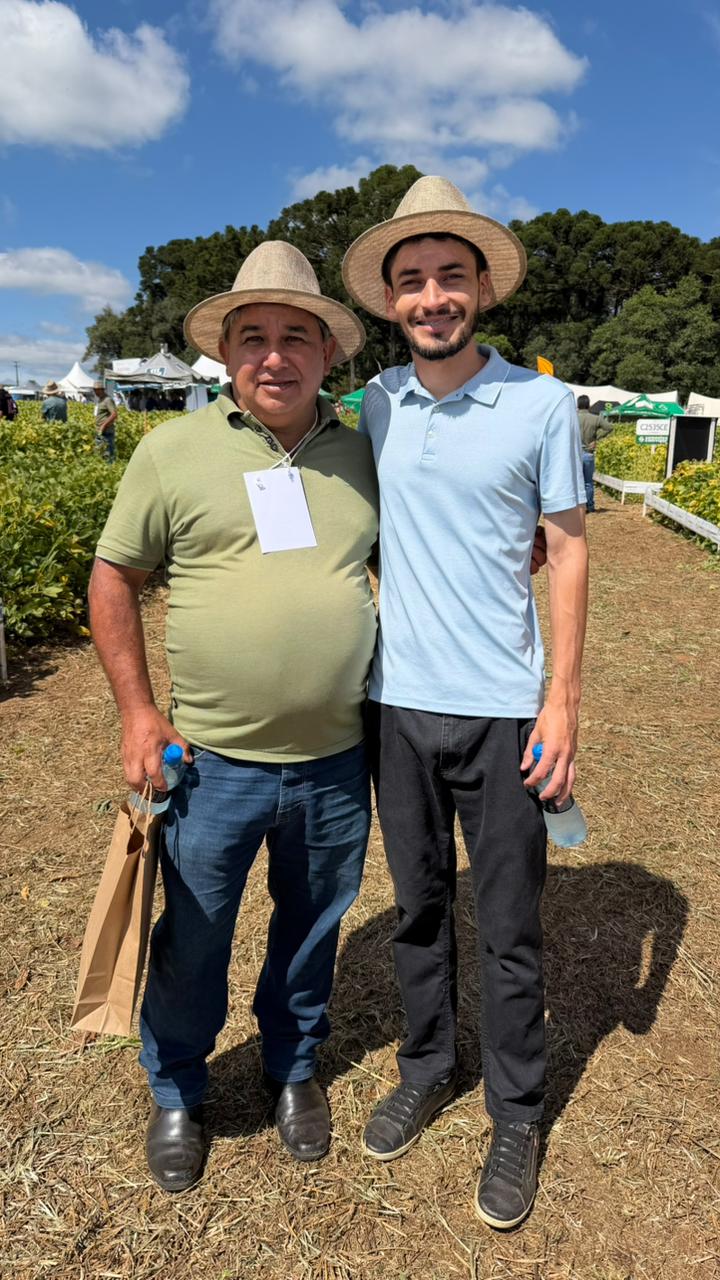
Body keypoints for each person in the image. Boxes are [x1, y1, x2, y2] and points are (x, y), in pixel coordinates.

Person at [87, 242, 378, 1192]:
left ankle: (292, 1069)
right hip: (211, 762)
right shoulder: (174, 450)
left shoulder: (361, 453)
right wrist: (138, 711)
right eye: (253, 336)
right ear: (224, 352)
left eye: (297, 335)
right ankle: (177, 1086)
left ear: (328, 353)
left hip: (338, 759)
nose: (275, 355)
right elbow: (114, 576)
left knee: (312, 927)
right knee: (195, 932)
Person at [342, 176, 589, 1231]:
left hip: (500, 707)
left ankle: (518, 1111)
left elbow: (569, 549)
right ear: (390, 300)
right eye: (411, 281)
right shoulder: (375, 405)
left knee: (512, 922)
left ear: (482, 287)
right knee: (418, 907)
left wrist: (563, 701)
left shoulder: (542, 402)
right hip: (395, 703)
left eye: (450, 275)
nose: (431, 295)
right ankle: (429, 1062)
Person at [576, 394, 612, 513]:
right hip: (588, 453)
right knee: (588, 483)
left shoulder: (572, 417)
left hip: (574, 454)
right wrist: (596, 438)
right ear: (589, 405)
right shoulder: (595, 418)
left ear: (577, 404)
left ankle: (576, 507)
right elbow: (609, 427)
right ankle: (589, 506)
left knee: (575, 482)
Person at [93, 381, 118, 461]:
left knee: (108, 454)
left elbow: (114, 414)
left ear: (102, 390)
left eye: (97, 390)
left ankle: (110, 470)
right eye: (95, 390)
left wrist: (104, 425)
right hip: (100, 431)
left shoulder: (107, 400)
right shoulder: (100, 400)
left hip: (106, 431)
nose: (96, 392)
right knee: (102, 453)